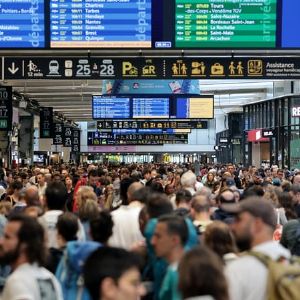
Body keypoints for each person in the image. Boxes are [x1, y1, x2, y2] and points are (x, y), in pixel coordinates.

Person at [223, 197, 290, 300]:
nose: (233, 226)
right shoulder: (288, 258)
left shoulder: (237, 269)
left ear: (257, 224)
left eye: (238, 220)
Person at [0, 214, 63, 299]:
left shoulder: (18, 281)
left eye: (7, 237)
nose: (1, 242)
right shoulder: (51, 279)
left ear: (24, 244)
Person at [151, 214, 189, 300]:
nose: (152, 241)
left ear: (174, 240)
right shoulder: (175, 269)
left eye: (158, 236)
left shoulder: (179, 274)